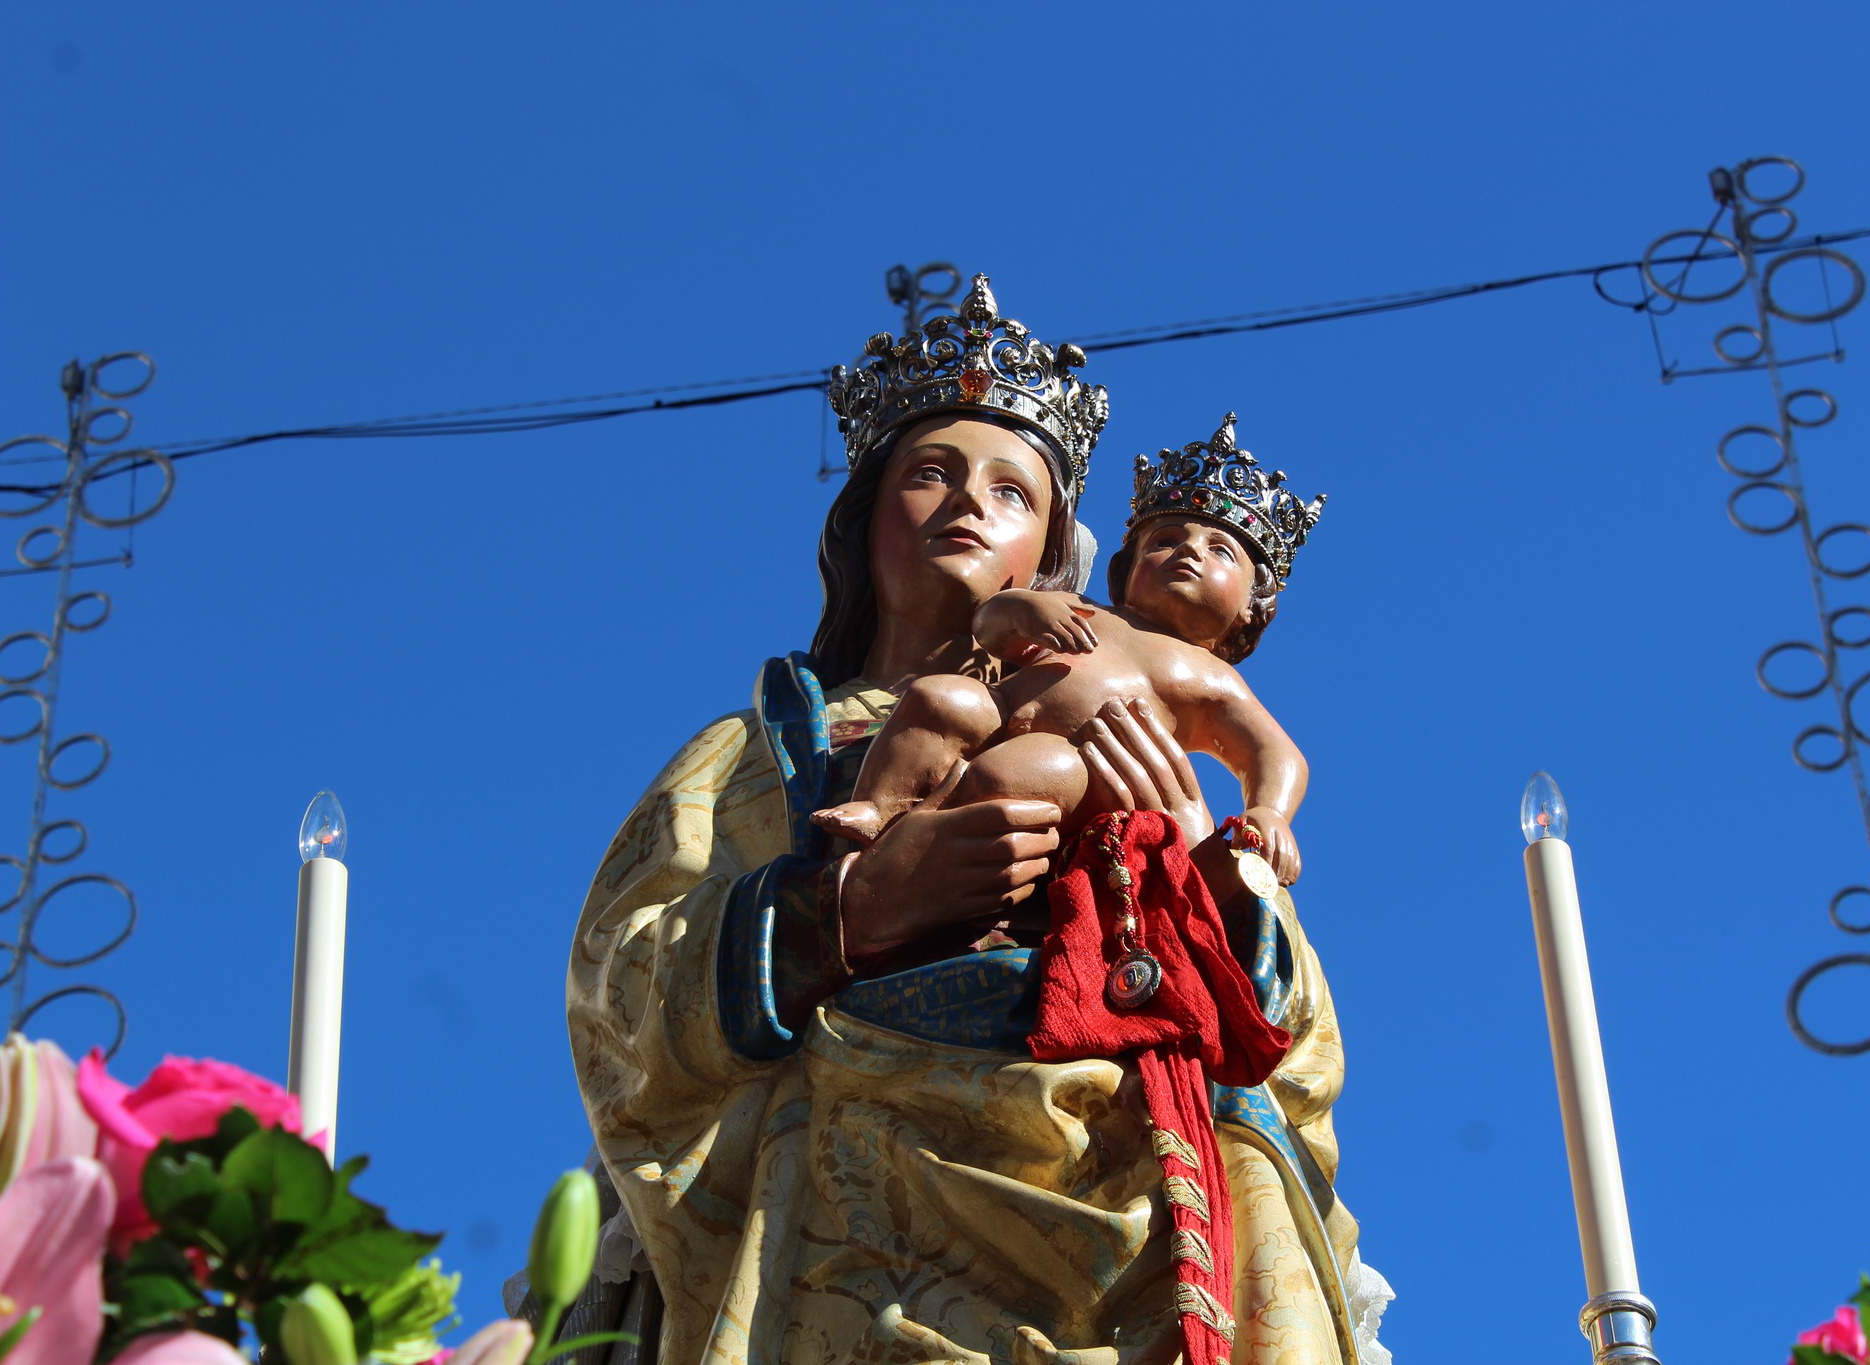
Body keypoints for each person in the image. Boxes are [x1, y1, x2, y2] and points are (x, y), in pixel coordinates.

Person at [564, 275, 1392, 1364]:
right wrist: (850, 909)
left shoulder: (1138, 715)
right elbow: (619, 983)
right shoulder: (754, 752)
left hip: (1142, 1191)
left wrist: (1201, 858)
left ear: (1052, 555)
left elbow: (1296, 1048)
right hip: (853, 1215)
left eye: (1011, 491)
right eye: (929, 473)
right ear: (862, 520)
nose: (966, 504)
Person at [810, 414, 1325, 896]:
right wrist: (1024, 608)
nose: (1188, 551)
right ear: (1124, 570)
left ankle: (929, 837)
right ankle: (877, 806)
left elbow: (1276, 754)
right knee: (936, 699)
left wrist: (1269, 813)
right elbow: (992, 627)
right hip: (998, 708)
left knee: (1010, 772)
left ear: (1250, 609)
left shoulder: (1214, 679)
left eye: (1220, 552)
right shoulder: (1086, 610)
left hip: (1072, 756)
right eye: (1164, 540)